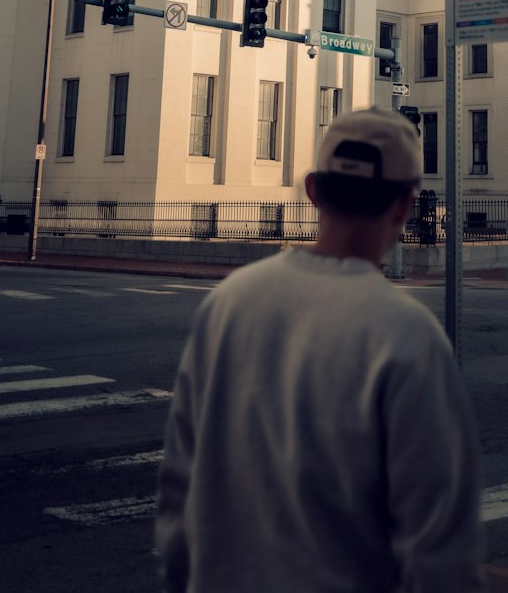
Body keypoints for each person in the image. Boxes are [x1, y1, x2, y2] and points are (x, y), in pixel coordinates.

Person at [156, 106, 486, 593]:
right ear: (404, 205)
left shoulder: (228, 302)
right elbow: (439, 551)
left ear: (312, 190)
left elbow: (180, 487)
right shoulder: (408, 336)